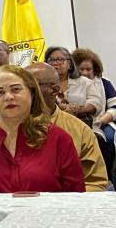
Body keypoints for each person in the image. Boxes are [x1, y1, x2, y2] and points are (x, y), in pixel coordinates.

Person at [0, 65, 85, 193]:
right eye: (0, 92)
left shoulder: (59, 139)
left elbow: (75, 197)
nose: (8, 97)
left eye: (16, 89)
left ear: (32, 93)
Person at [26, 63, 109, 192]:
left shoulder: (79, 130)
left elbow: (95, 183)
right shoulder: (11, 128)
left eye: (30, 87)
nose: (22, 93)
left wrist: (62, 203)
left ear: (54, 90)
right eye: (18, 87)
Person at [72, 47, 116, 148]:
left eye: (88, 69)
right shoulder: (68, 85)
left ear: (95, 69)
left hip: (102, 123)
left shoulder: (104, 83)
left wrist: (102, 120)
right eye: (81, 69)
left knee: (110, 138)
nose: (84, 73)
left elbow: (115, 106)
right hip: (75, 125)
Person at [44, 46, 100, 123]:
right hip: (52, 126)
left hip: (85, 126)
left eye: (60, 59)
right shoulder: (43, 85)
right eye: (51, 60)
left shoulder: (84, 82)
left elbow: (96, 103)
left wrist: (78, 109)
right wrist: (60, 107)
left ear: (69, 64)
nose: (55, 63)